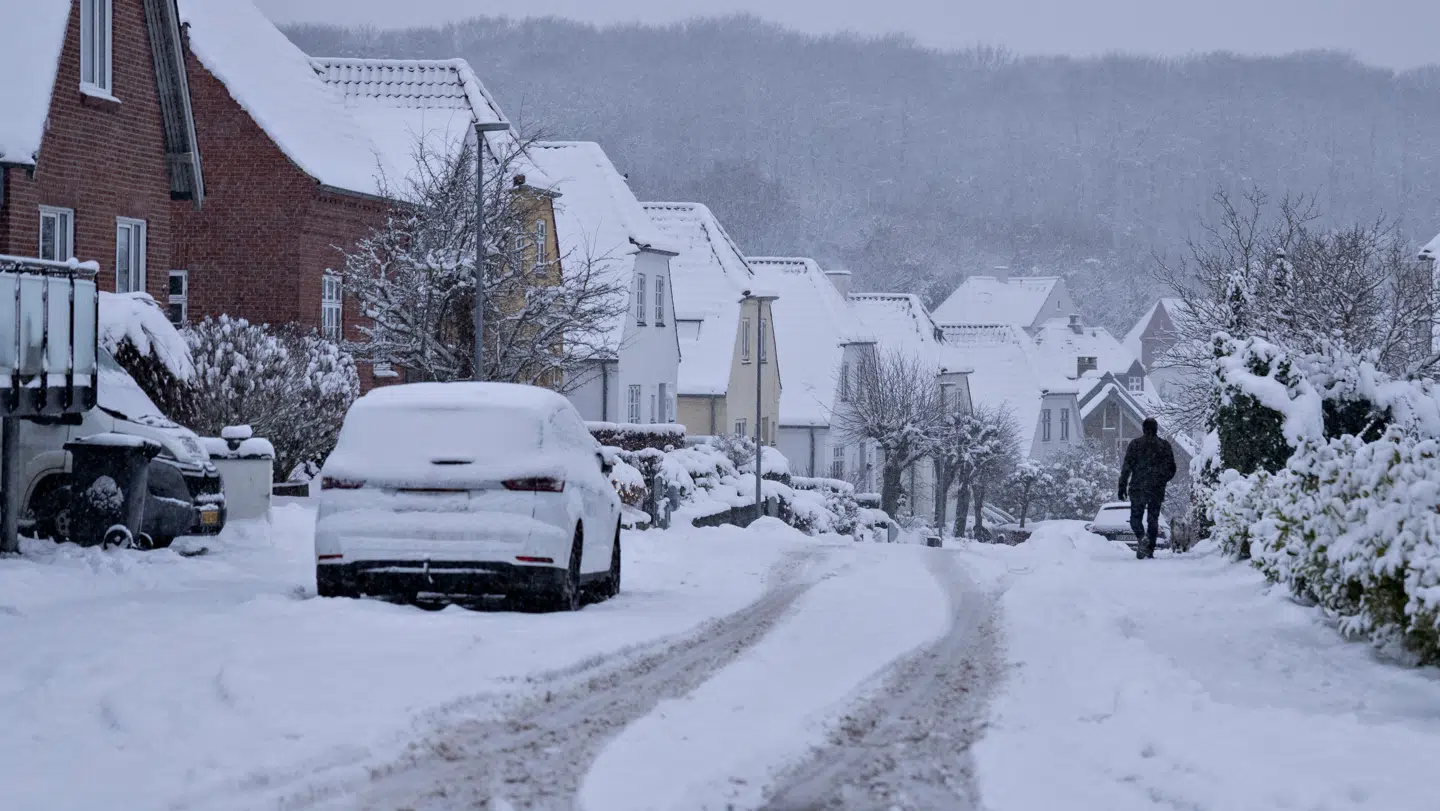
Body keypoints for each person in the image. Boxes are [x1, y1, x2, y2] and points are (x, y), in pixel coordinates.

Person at [1117, 417, 1177, 559]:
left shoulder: (1135, 445)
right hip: (1156, 489)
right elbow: (1172, 469)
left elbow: (1126, 467)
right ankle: (1149, 549)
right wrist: (1161, 479)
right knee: (1153, 519)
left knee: (1135, 518)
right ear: (1156, 429)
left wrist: (1122, 486)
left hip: (1138, 487)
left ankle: (1141, 537)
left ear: (1143, 429)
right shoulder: (1164, 446)